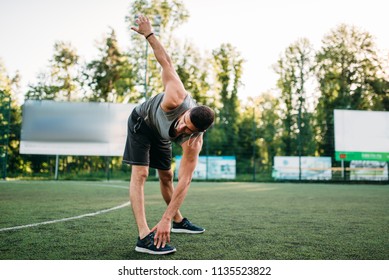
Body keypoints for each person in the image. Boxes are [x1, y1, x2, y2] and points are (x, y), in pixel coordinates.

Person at [123, 14, 215, 255]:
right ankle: (143, 236)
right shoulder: (176, 95)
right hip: (141, 123)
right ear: (188, 111)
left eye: (189, 131)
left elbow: (185, 181)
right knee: (141, 173)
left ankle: (177, 220)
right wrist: (149, 34)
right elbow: (166, 62)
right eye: (184, 123)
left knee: (168, 176)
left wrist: (165, 219)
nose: (183, 130)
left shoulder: (193, 141)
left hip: (160, 135)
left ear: (199, 132)